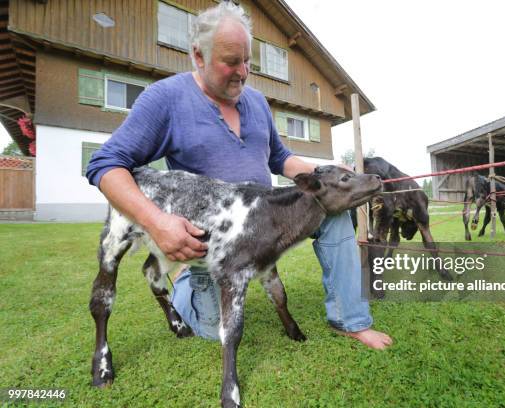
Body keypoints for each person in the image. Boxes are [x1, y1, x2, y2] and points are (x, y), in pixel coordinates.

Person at [86, 2, 391, 349]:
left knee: (334, 211)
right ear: (198, 57)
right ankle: (185, 282)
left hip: (265, 215)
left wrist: (332, 175)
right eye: (231, 62)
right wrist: (157, 223)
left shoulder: (257, 102)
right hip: (212, 237)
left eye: (247, 61)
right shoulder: (165, 99)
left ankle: (350, 318)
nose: (243, 72)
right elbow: (105, 165)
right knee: (209, 327)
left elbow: (280, 158)